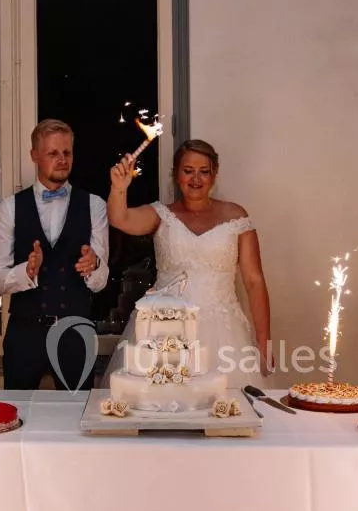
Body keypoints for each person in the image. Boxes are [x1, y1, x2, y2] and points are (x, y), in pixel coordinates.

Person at [106, 139, 272, 385]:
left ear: (214, 174)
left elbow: (254, 280)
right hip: (165, 330)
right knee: (160, 400)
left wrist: (264, 340)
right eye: (188, 171)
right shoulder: (161, 215)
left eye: (203, 171)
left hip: (224, 333)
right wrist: (119, 188)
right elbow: (120, 219)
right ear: (176, 174)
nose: (196, 179)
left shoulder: (236, 216)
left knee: (227, 402)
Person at [0, 119, 110, 390]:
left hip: (76, 332)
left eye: (67, 152)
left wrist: (93, 266)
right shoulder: (10, 208)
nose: (62, 160)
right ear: (34, 155)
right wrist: (26, 271)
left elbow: (101, 282)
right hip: (24, 332)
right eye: (53, 153)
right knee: (18, 411)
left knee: (77, 412)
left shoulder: (94, 205)